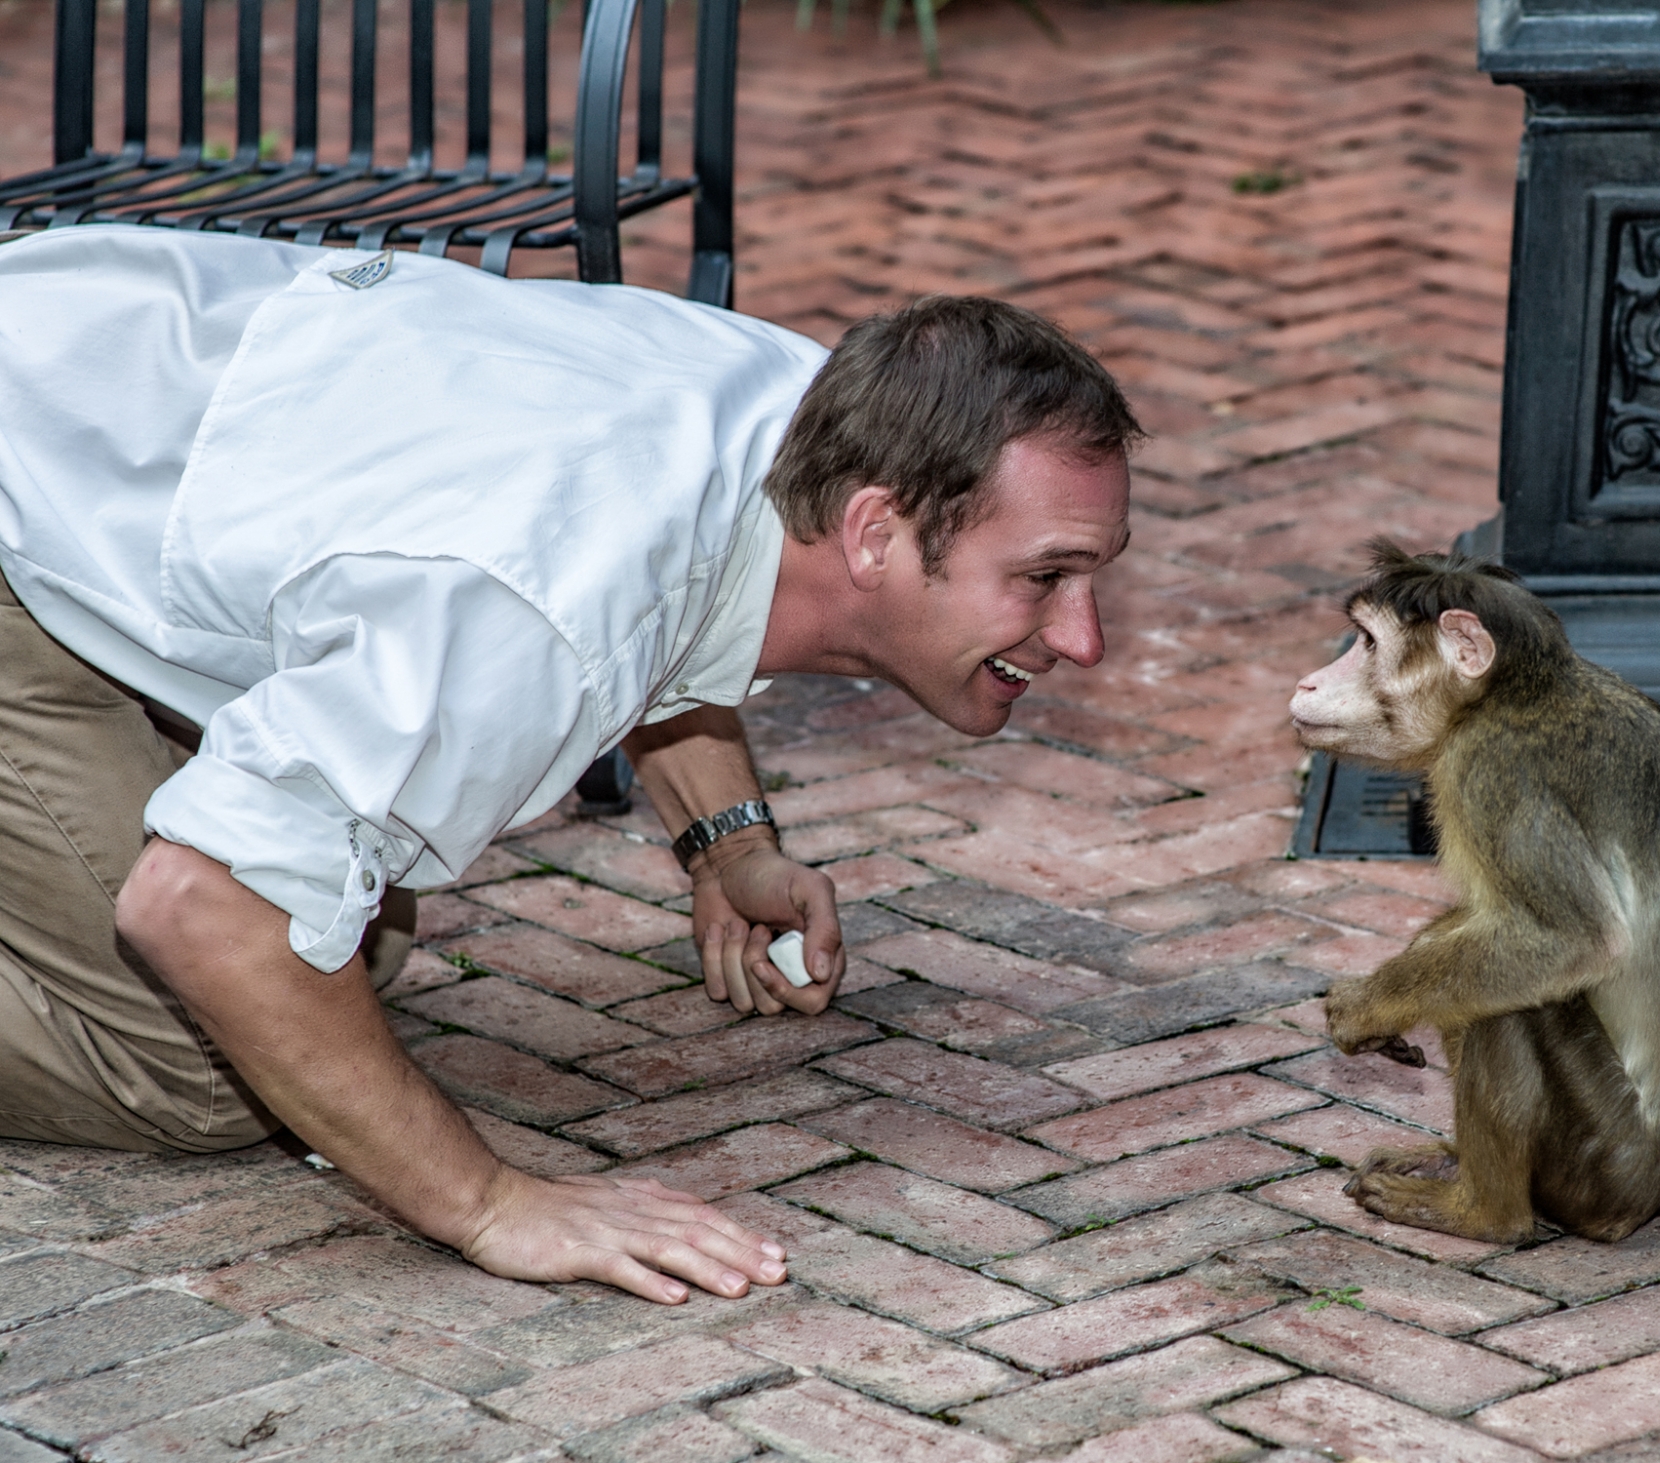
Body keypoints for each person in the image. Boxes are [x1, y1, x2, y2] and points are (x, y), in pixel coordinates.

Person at [0, 225, 1139, 1303]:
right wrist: (488, 1204)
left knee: (354, 937)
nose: (1083, 637)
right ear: (876, 531)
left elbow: (674, 596)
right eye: (1044, 576)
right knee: (195, 1061)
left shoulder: (822, 412)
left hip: (86, 417)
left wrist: (727, 842)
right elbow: (202, 902)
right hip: (30, 492)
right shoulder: (540, 605)